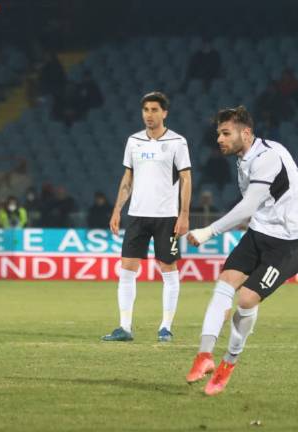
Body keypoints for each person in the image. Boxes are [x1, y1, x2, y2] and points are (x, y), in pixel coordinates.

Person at [185, 106, 298, 396]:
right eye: (218, 133)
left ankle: (227, 364)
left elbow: (247, 206)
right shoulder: (244, 159)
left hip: (289, 243)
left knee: (245, 299)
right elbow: (252, 211)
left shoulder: (268, 157)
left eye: (225, 133)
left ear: (245, 133)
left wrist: (208, 231)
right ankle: (204, 356)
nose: (219, 139)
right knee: (224, 283)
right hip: (259, 234)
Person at [102, 91, 192, 343]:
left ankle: (165, 327)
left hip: (166, 216)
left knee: (168, 269)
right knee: (127, 269)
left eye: (154, 110)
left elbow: (186, 179)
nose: (149, 115)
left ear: (165, 113)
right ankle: (125, 327)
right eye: (146, 110)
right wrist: (117, 209)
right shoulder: (134, 141)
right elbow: (127, 178)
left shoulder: (177, 142)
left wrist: (184, 214)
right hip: (138, 215)